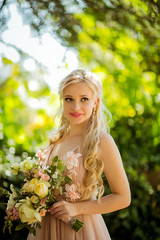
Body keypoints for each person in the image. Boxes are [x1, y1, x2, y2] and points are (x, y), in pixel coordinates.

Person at [27, 69, 131, 240]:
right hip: (45, 229)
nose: (75, 107)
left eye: (84, 99)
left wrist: (76, 208)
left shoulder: (102, 141)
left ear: (95, 102)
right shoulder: (55, 141)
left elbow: (123, 198)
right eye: (69, 99)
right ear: (62, 101)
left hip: (81, 230)